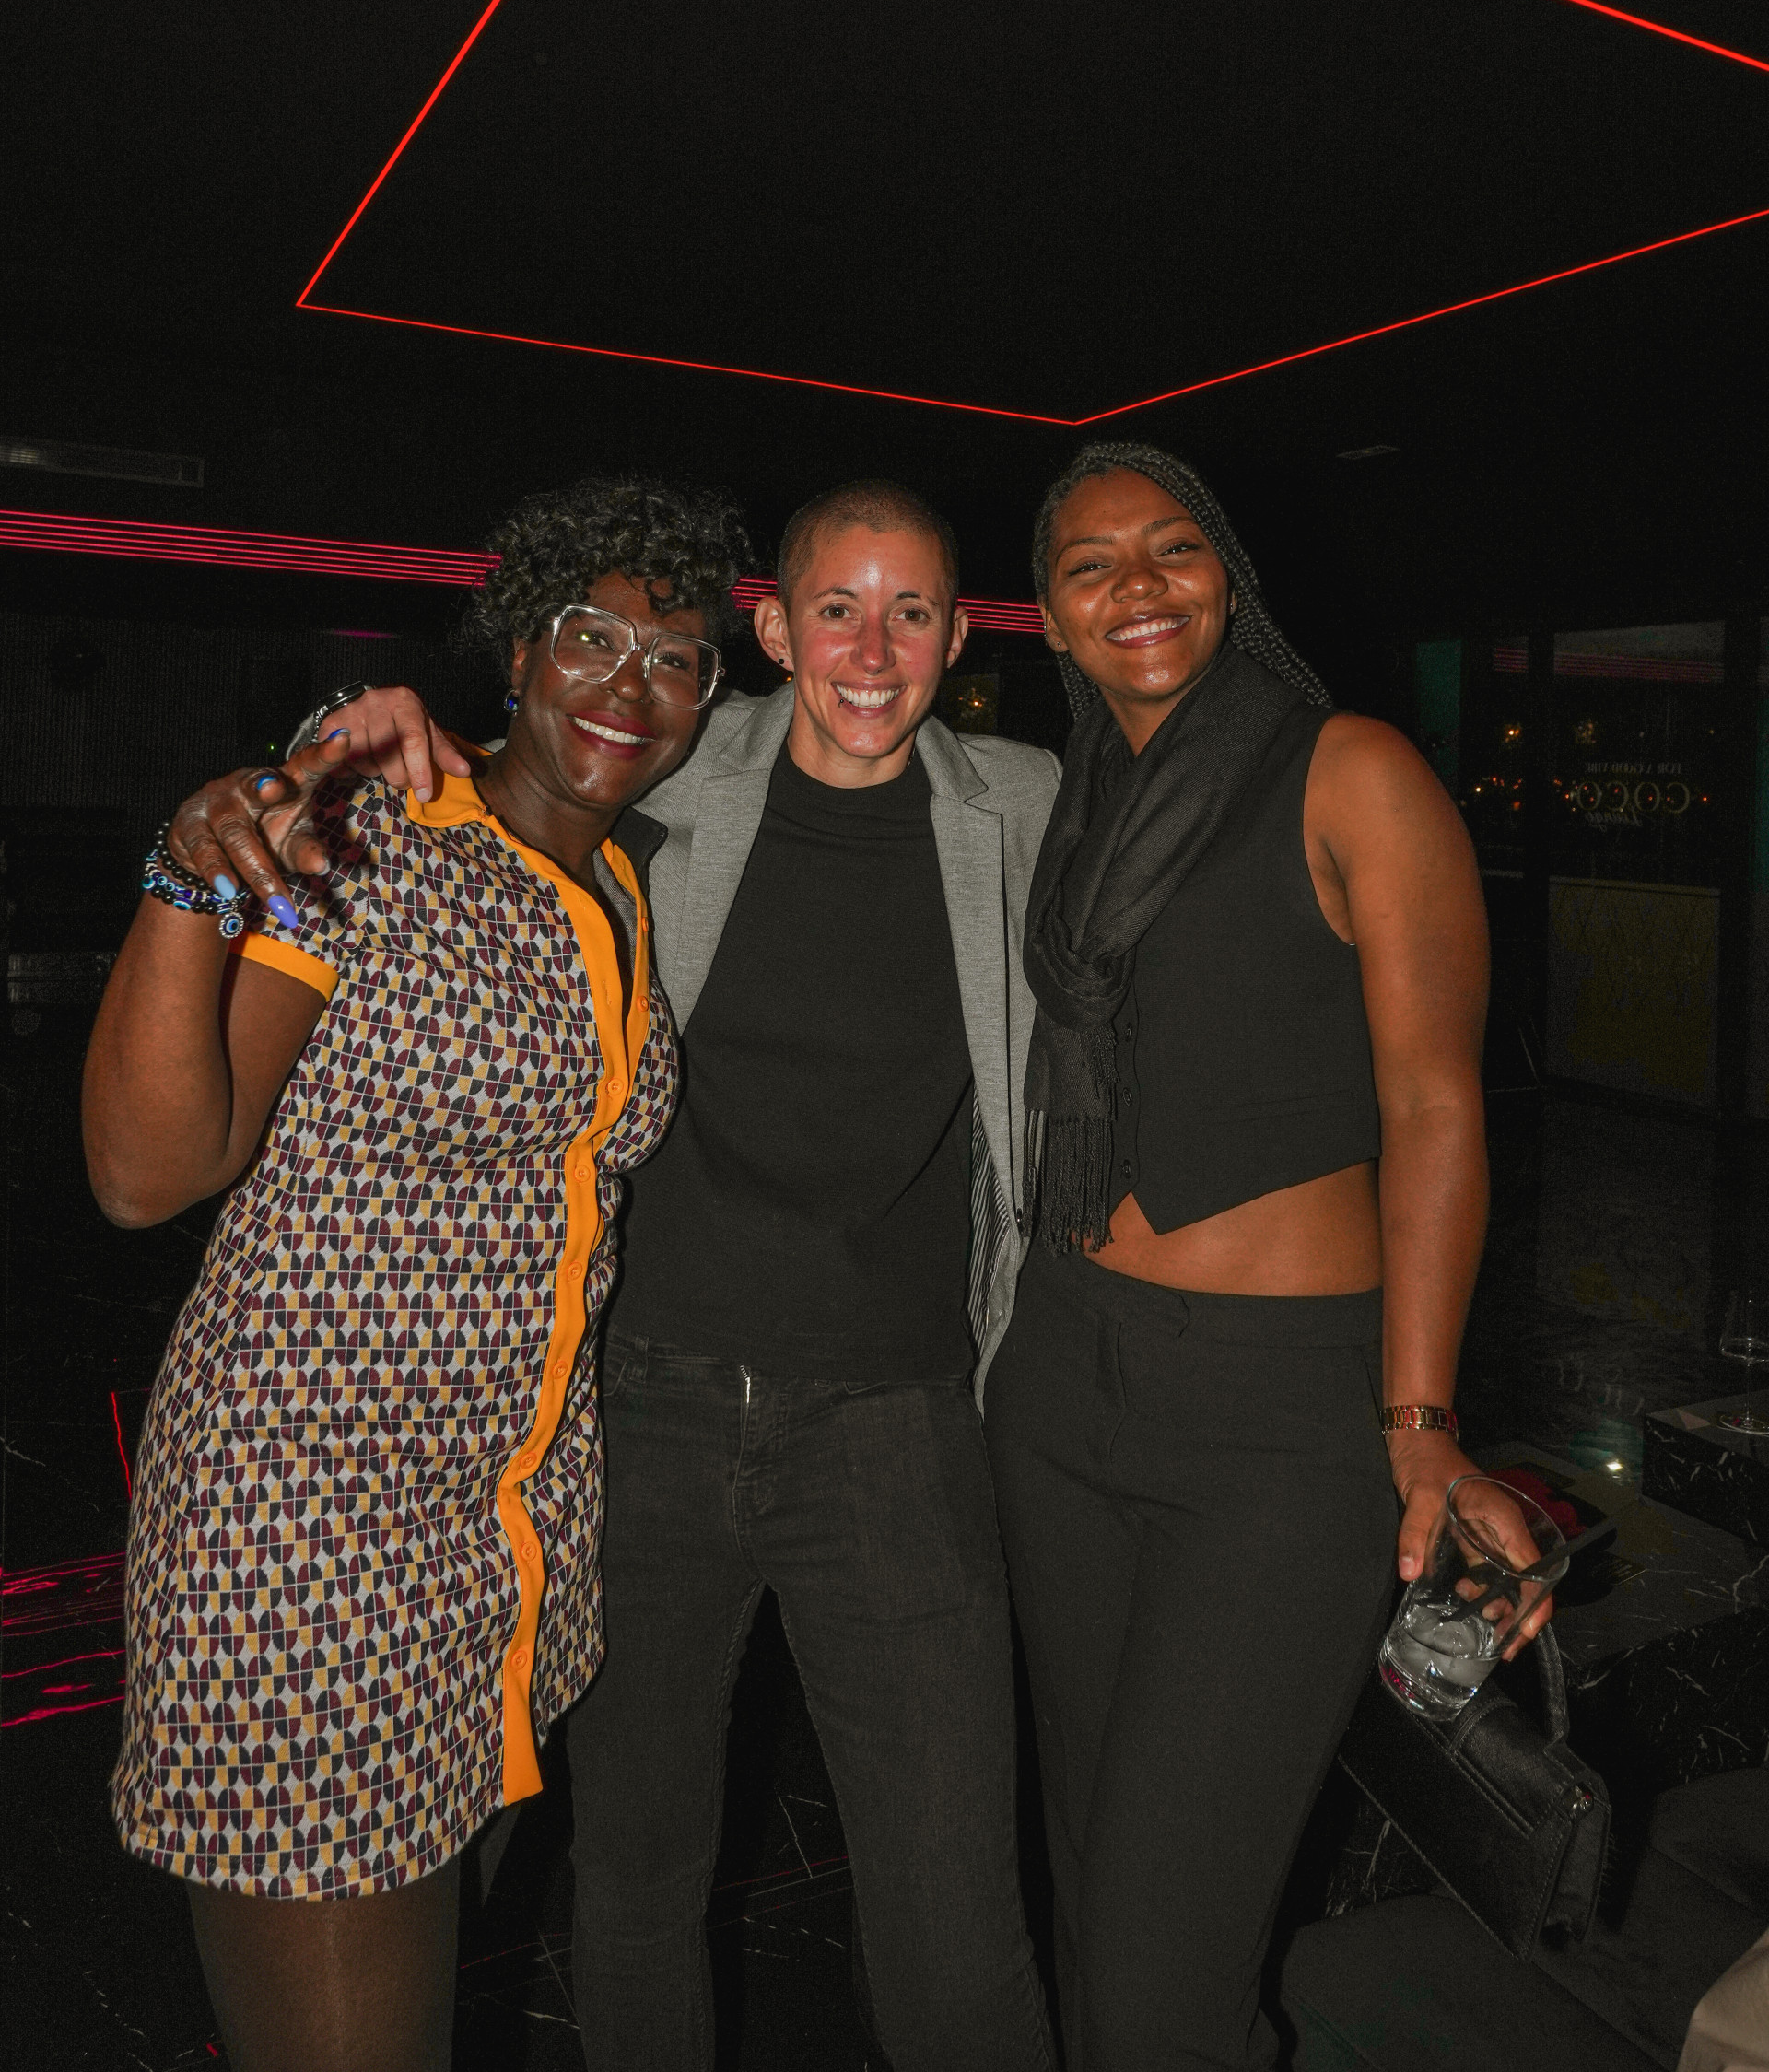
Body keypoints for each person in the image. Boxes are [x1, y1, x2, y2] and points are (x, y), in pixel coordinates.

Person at [314, 478, 1060, 2072]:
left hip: (897, 1422)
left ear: (958, 637)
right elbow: (505, 775)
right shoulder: (667, 775)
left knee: (954, 1910)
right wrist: (366, 732)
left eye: (912, 612)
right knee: (637, 1876)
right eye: (837, 610)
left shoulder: (1024, 806)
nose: (874, 651)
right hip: (639, 1410)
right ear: (774, 628)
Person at [82, 473, 750, 2072]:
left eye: (675, 657)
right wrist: (187, 871)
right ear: (515, 651)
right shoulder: (375, 836)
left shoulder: (618, 886)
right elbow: (150, 1168)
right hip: (307, 1544)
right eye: (591, 637)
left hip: (504, 1554)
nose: (630, 684)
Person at [983, 439, 1500, 2072]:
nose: (1136, 586)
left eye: (1173, 548)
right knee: (1088, 1888)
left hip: (1277, 1426)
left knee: (1161, 1957)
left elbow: (1435, 1108)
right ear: (1051, 618)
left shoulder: (1349, 771)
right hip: (1061, 1380)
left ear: (1230, 577)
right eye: (1090, 566)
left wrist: (1420, 1420)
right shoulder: (1074, 803)